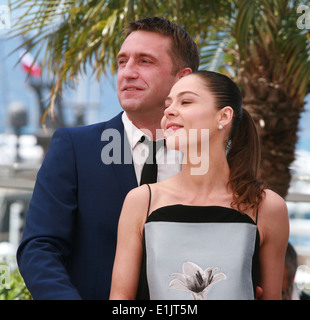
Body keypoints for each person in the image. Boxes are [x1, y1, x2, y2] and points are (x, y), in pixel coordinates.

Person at [16, 17, 200, 300]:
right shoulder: (75, 148)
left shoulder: (206, 155)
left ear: (182, 78)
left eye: (144, 62)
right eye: (122, 61)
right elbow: (39, 248)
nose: (127, 72)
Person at [109, 70, 290, 300]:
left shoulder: (267, 207)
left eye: (185, 101)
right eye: (168, 104)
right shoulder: (141, 201)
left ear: (223, 117)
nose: (169, 111)